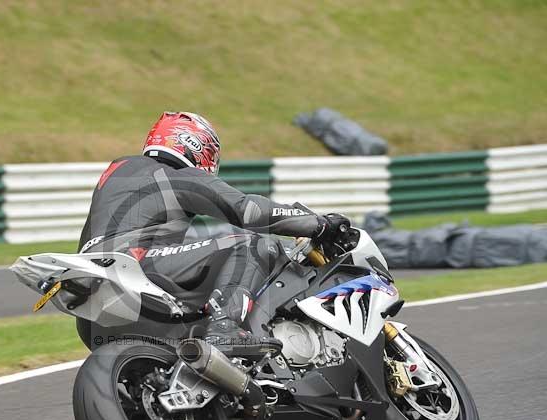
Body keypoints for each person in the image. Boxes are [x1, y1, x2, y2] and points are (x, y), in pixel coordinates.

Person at [79, 111, 353, 352]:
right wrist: (317, 223)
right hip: (136, 265)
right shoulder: (173, 173)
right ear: (194, 145)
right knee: (252, 244)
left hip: (92, 312)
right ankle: (225, 327)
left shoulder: (117, 173)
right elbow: (248, 211)